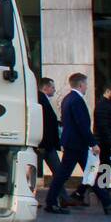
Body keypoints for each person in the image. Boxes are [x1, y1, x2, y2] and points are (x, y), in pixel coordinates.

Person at [46, 73, 111, 215]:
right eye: (86, 84)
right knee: (65, 174)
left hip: (74, 143)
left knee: (86, 173)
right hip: (76, 144)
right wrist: (93, 143)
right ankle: (51, 202)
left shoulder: (68, 99)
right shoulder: (77, 100)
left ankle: (107, 202)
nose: (87, 87)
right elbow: (82, 124)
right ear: (80, 85)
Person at [37, 78, 65, 208]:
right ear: (45, 87)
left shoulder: (44, 100)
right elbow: (46, 124)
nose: (54, 90)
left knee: (58, 171)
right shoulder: (40, 100)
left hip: (46, 144)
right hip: (44, 145)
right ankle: (58, 199)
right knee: (57, 171)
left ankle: (63, 197)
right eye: (52, 87)